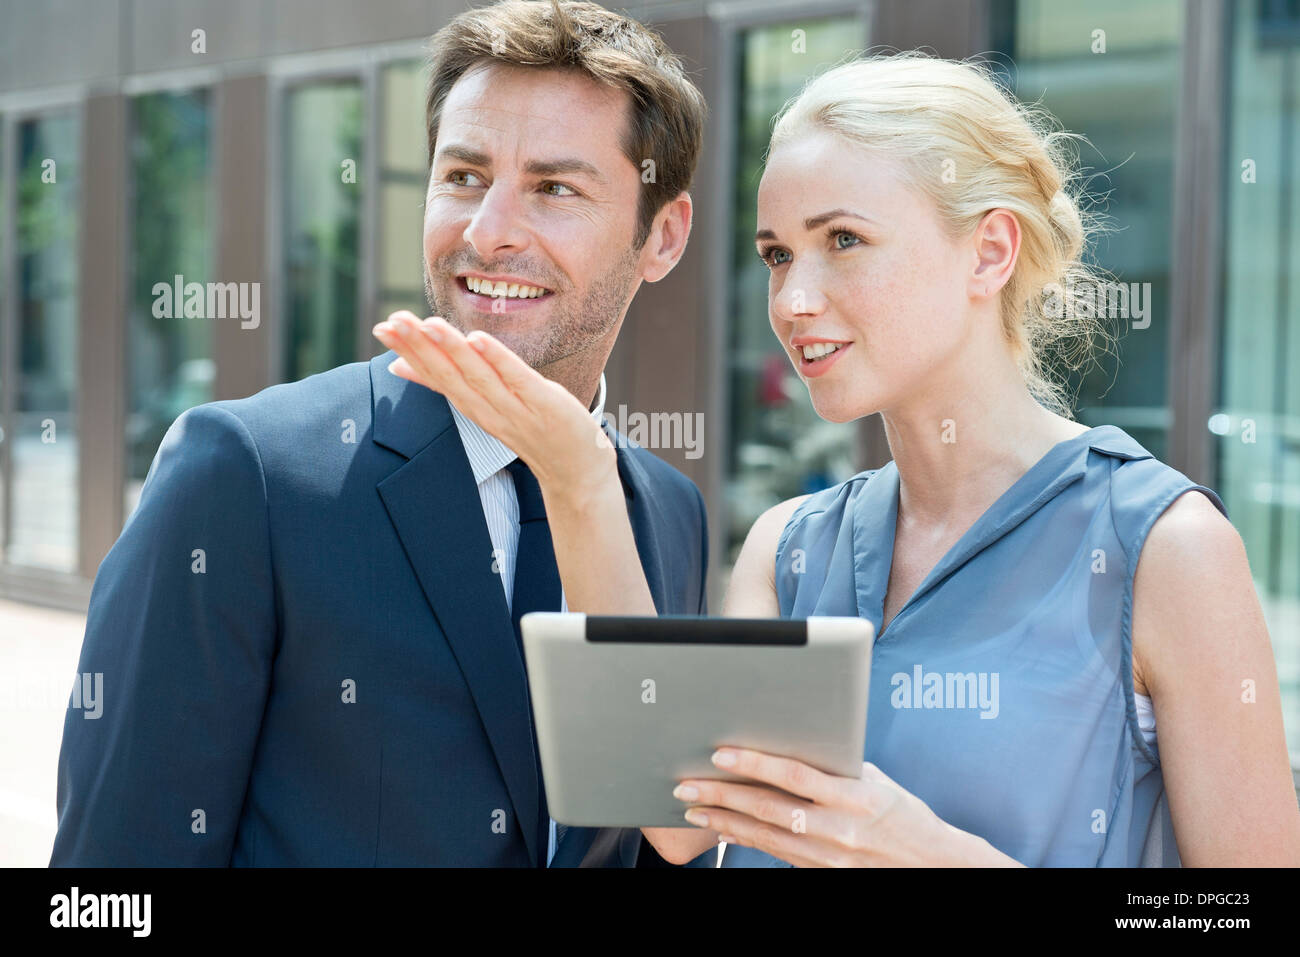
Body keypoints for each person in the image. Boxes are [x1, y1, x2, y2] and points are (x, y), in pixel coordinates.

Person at [379, 52, 1300, 866]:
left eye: (843, 241)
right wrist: (578, 473)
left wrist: (925, 856)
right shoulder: (790, 548)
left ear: (988, 251)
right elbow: (672, 817)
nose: (794, 299)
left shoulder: (1163, 548)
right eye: (777, 255)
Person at [51, 0, 716, 868]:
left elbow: (667, 845)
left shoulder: (667, 512)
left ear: (661, 235)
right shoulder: (247, 477)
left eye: (554, 188)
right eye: (465, 176)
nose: (488, 231)